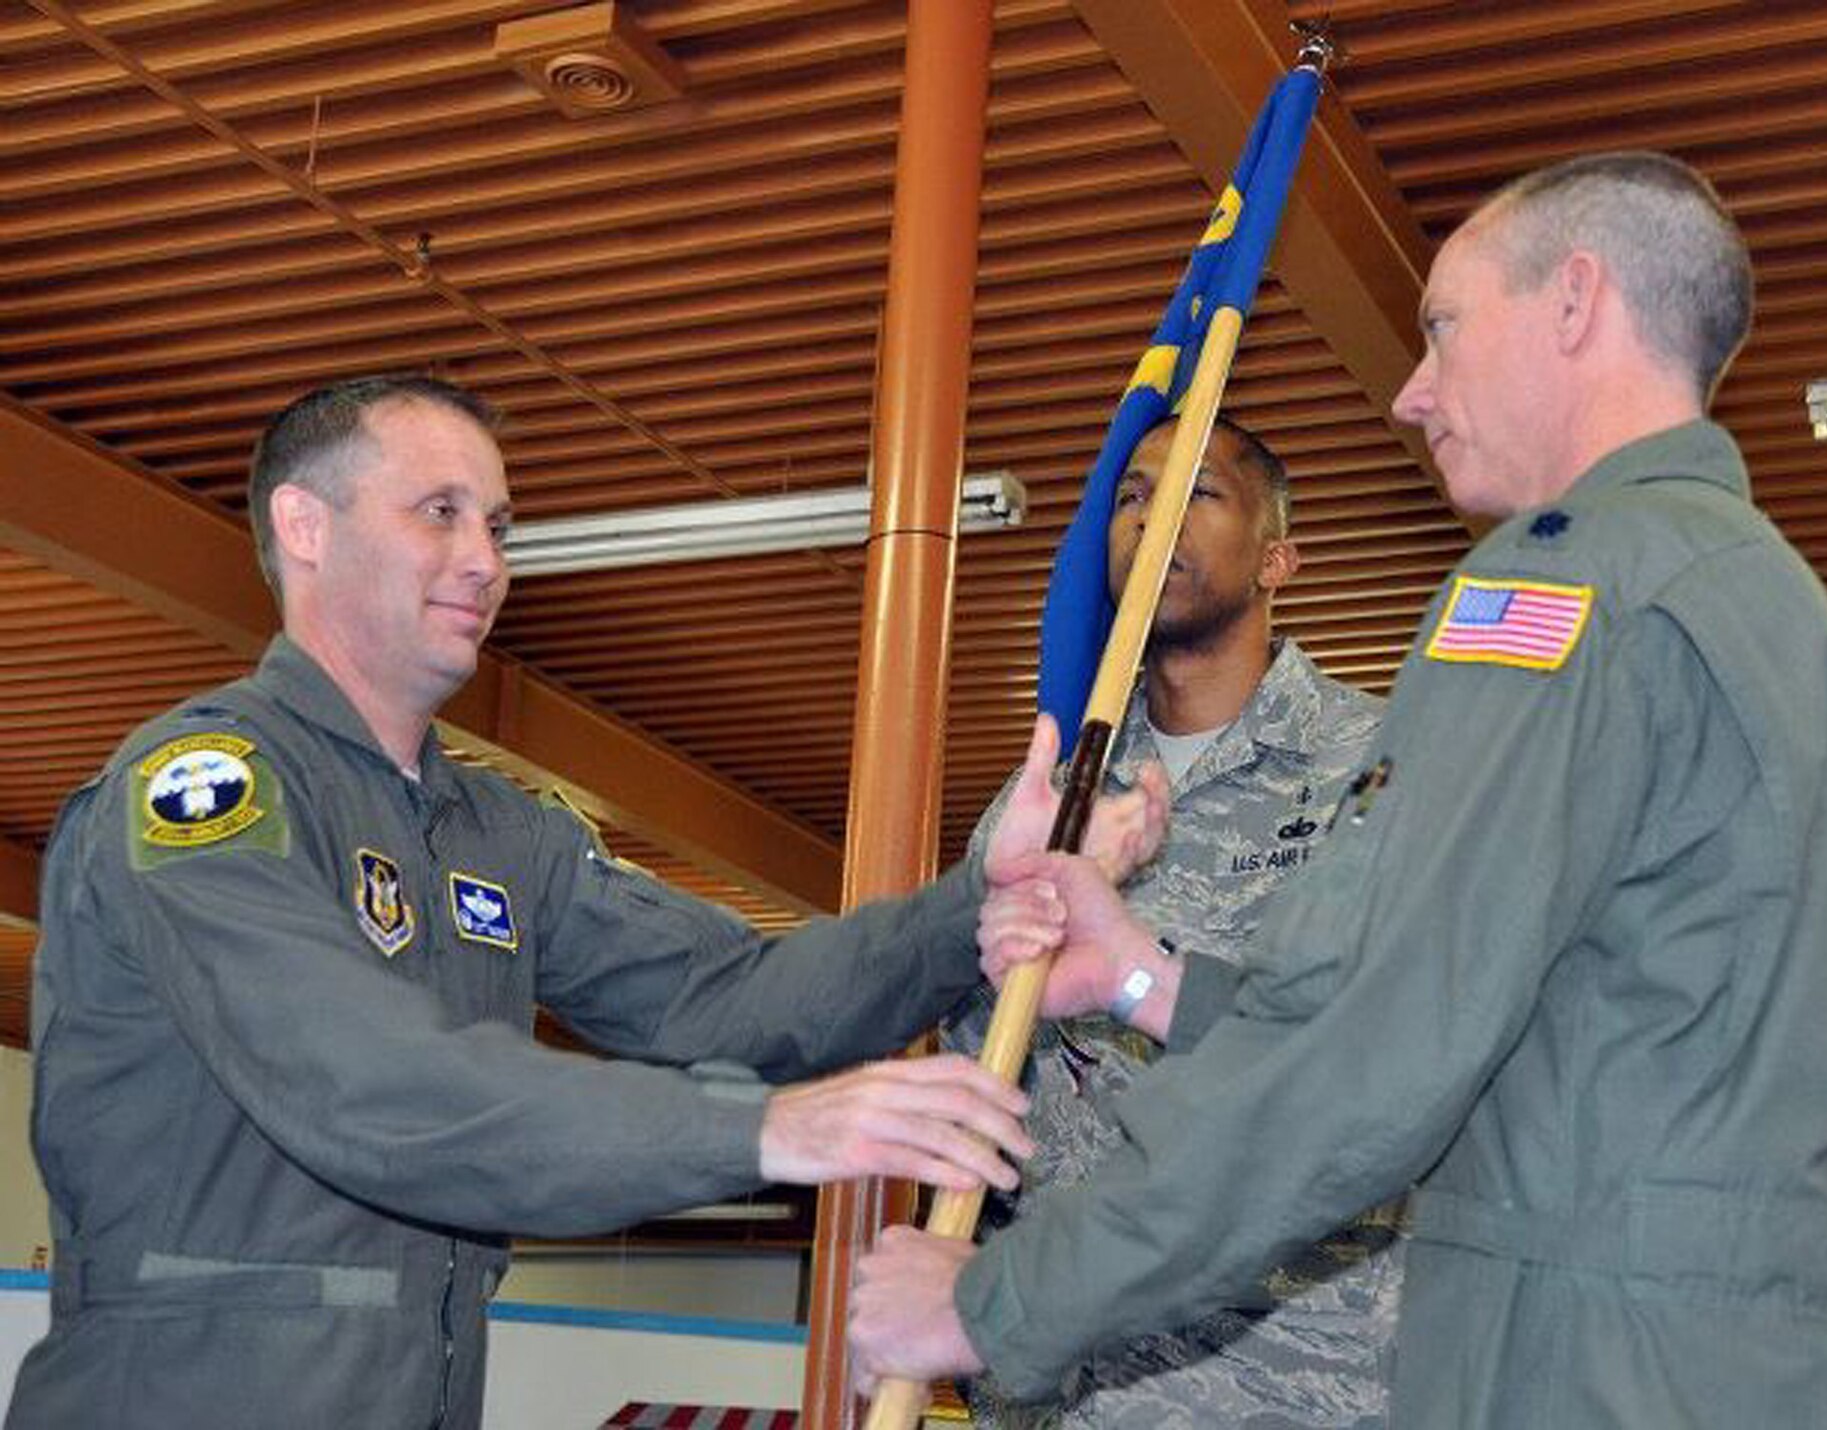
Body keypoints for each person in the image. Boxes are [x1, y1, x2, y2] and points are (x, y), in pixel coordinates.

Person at [851, 151, 1827, 1428]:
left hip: (1592, 1371)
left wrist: (994, 1302)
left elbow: (1378, 1043)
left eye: (1441, 328)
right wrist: (1146, 978)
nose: (1412, 394)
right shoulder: (1785, 619)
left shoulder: (1556, 590)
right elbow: (1550, 1030)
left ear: (1573, 302)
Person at [7, 375, 1163, 1430]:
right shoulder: (205, 790)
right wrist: (760, 1129)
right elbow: (360, 1079)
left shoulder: (502, 834)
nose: (484, 559)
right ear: (304, 528)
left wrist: (970, 908)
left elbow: (729, 995)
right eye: (440, 512)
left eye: (498, 526)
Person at [946, 414, 1392, 1427]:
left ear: (1277, 556)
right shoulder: (1051, 800)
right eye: (1133, 495)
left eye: (1196, 493)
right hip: (1063, 1384)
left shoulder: (1372, 768)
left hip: (1284, 1381)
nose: (1149, 518)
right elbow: (971, 1080)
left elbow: (1390, 1060)